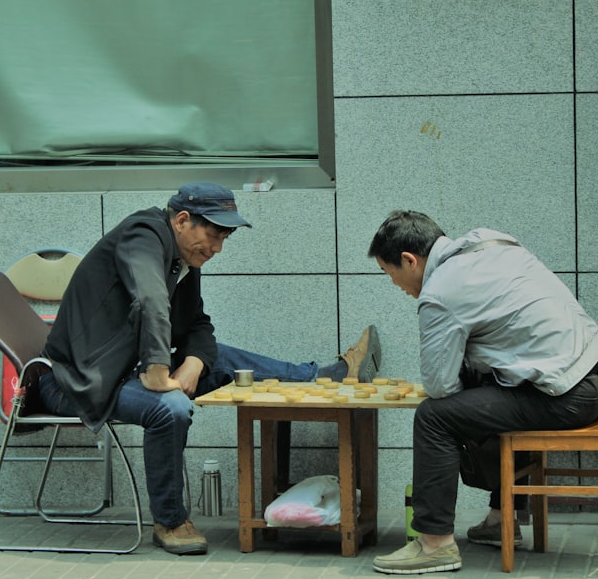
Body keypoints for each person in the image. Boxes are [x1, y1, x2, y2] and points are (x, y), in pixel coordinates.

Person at [38, 183, 381, 556]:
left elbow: (198, 324)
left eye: (224, 239)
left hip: (126, 369)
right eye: (214, 235)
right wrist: (158, 368)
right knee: (169, 408)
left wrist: (194, 363)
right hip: (79, 380)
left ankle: (322, 377)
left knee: (220, 359)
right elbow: (150, 300)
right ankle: (169, 521)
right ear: (182, 220)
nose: (217, 248)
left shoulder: (184, 258)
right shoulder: (143, 235)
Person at [365, 210, 598, 574]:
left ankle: (434, 543)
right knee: (489, 389)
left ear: (409, 260)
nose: (398, 287)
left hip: (569, 395)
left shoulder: (439, 292)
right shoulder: (492, 242)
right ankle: (502, 520)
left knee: (435, 417)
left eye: (392, 276)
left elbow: (438, 386)